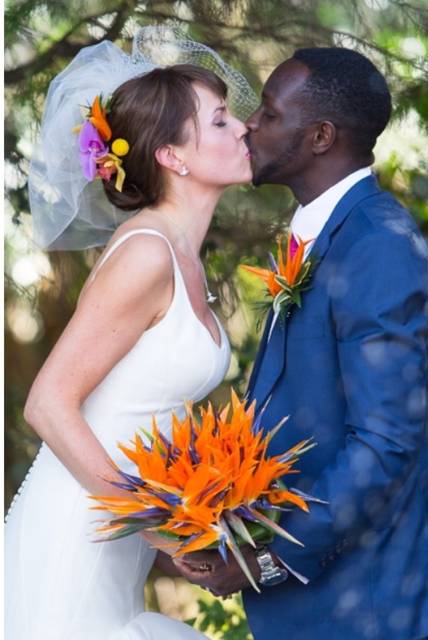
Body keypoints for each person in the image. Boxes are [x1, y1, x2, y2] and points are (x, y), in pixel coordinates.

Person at [173, 48, 428, 640]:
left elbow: (385, 442)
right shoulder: (326, 232)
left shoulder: (376, 244)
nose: (248, 125)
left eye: (267, 111)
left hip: (374, 602)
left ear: (319, 136)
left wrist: (266, 557)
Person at [5, 29, 256, 639]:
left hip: (117, 544)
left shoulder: (182, 254)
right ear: (174, 156)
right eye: (220, 121)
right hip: (73, 539)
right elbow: (47, 404)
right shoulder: (147, 253)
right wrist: (157, 524)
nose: (244, 129)